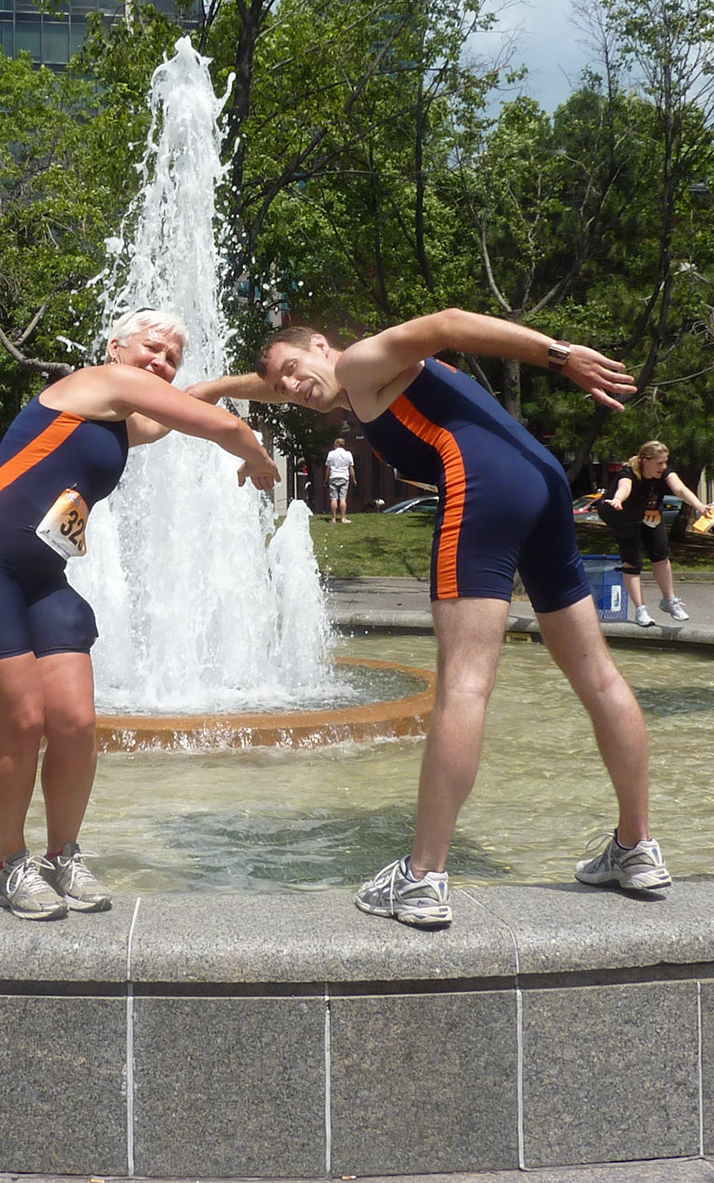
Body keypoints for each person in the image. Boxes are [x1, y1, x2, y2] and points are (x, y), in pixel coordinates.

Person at [197, 310, 668, 928]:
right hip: (542, 480)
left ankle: (422, 878)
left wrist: (560, 356)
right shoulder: (353, 380)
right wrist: (211, 390)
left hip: (482, 487)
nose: (290, 387)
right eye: (281, 384)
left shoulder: (359, 361)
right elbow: (275, 384)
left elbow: (446, 324)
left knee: (464, 685)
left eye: (293, 369)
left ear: (321, 344)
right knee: (598, 675)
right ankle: (637, 847)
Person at [0, 307, 279, 921]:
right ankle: (12, 863)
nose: (161, 361)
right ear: (115, 346)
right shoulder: (98, 382)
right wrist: (257, 457)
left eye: (172, 358)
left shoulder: (121, 419)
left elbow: (186, 409)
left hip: (42, 576)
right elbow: (219, 425)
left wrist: (246, 383)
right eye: (152, 347)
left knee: (75, 722)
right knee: (22, 719)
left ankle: (63, 856)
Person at [594, 441, 713, 627]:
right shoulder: (629, 473)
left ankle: (669, 600)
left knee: (661, 555)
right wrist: (617, 499)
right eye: (659, 463)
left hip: (650, 514)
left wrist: (700, 506)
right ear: (645, 461)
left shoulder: (665, 472)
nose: (664, 466)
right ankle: (641, 609)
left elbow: (680, 489)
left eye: (666, 462)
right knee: (633, 562)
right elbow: (624, 488)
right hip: (623, 515)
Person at [324, 436, 356, 522]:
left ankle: (333, 519)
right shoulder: (348, 454)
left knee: (333, 498)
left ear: (337, 444)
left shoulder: (331, 454)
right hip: (344, 477)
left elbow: (328, 468)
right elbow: (351, 468)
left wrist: (326, 480)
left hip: (333, 476)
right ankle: (343, 518)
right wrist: (354, 479)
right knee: (343, 498)